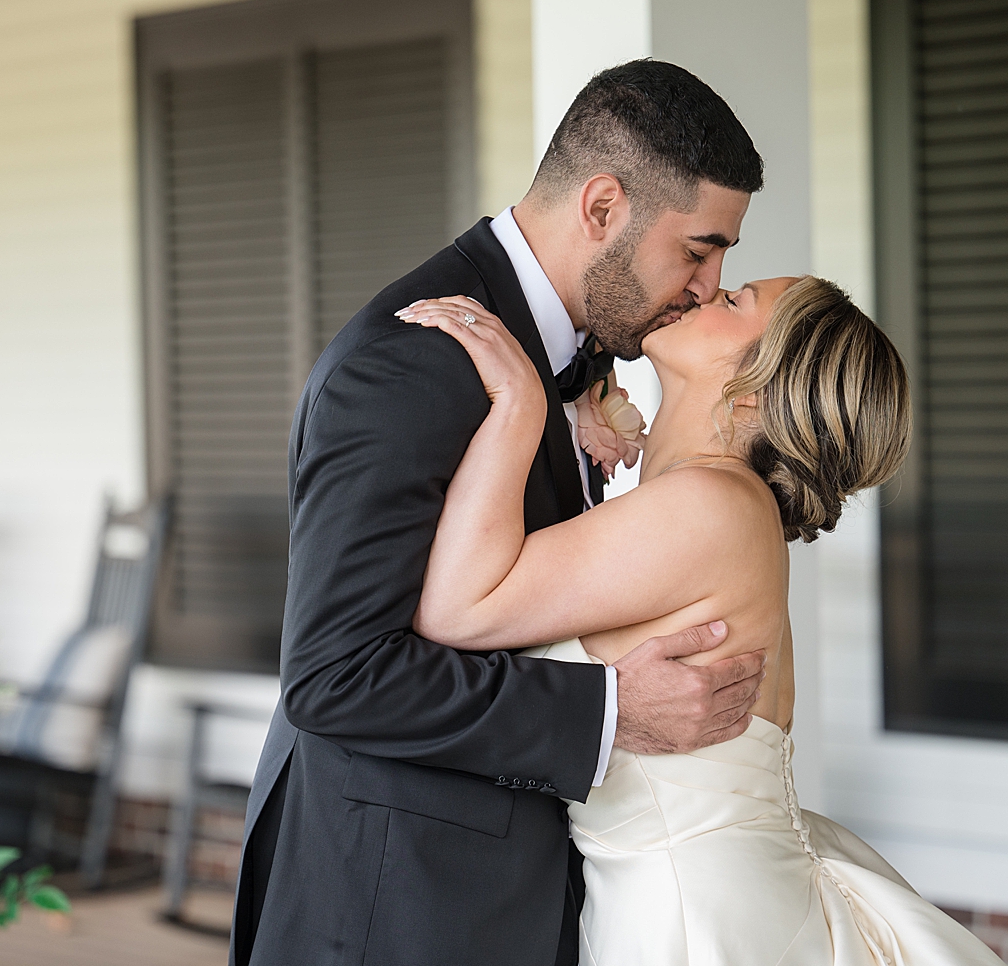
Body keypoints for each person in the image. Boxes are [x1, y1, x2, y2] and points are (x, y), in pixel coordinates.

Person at [231, 61, 774, 966]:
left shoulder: (573, 347)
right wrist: (606, 710)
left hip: (510, 894)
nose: (709, 283)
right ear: (602, 209)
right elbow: (334, 676)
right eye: (698, 249)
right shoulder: (412, 363)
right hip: (391, 906)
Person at [398, 278, 1005, 964]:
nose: (704, 292)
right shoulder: (711, 506)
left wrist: (519, 405)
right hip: (697, 898)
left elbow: (456, 607)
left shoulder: (713, 506)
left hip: (695, 919)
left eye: (736, 300)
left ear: (755, 389)